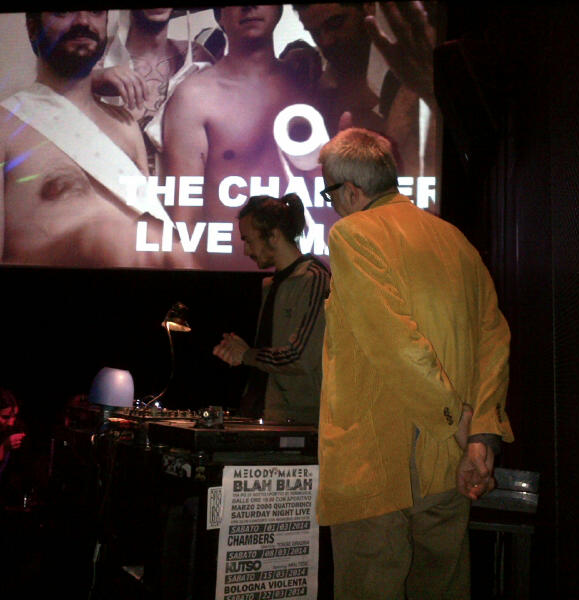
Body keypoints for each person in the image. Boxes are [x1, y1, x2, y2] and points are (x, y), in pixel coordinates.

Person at [316, 128, 513, 599]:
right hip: (449, 468)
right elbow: (494, 340)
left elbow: (395, 342)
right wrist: (481, 436)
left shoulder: (353, 234)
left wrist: (456, 419)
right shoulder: (455, 240)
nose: (333, 205)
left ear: (351, 191)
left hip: (376, 465)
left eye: (330, 194)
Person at [0, 11, 192, 268]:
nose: (83, 21)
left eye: (96, 11)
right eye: (63, 11)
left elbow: (155, 230)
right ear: (32, 27)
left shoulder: (126, 125)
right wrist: (85, 243)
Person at [160, 5, 311, 264]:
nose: (249, 6)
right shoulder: (194, 96)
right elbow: (184, 224)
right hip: (225, 273)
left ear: (279, 9)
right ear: (220, 15)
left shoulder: (307, 83)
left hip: (305, 275)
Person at [212, 193, 330, 424]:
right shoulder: (272, 284)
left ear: (274, 236)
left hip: (298, 421)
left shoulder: (314, 279)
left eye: (249, 241)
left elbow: (300, 357)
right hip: (265, 414)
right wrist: (243, 354)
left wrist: (247, 354)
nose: (246, 251)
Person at [294, 2, 438, 176]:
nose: (326, 40)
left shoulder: (414, 70)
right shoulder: (314, 76)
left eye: (335, 23)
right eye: (315, 33)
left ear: (369, 6)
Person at [92, 8, 226, 174]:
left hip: (179, 185)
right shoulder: (98, 57)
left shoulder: (197, 57)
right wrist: (92, 80)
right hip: (115, 182)